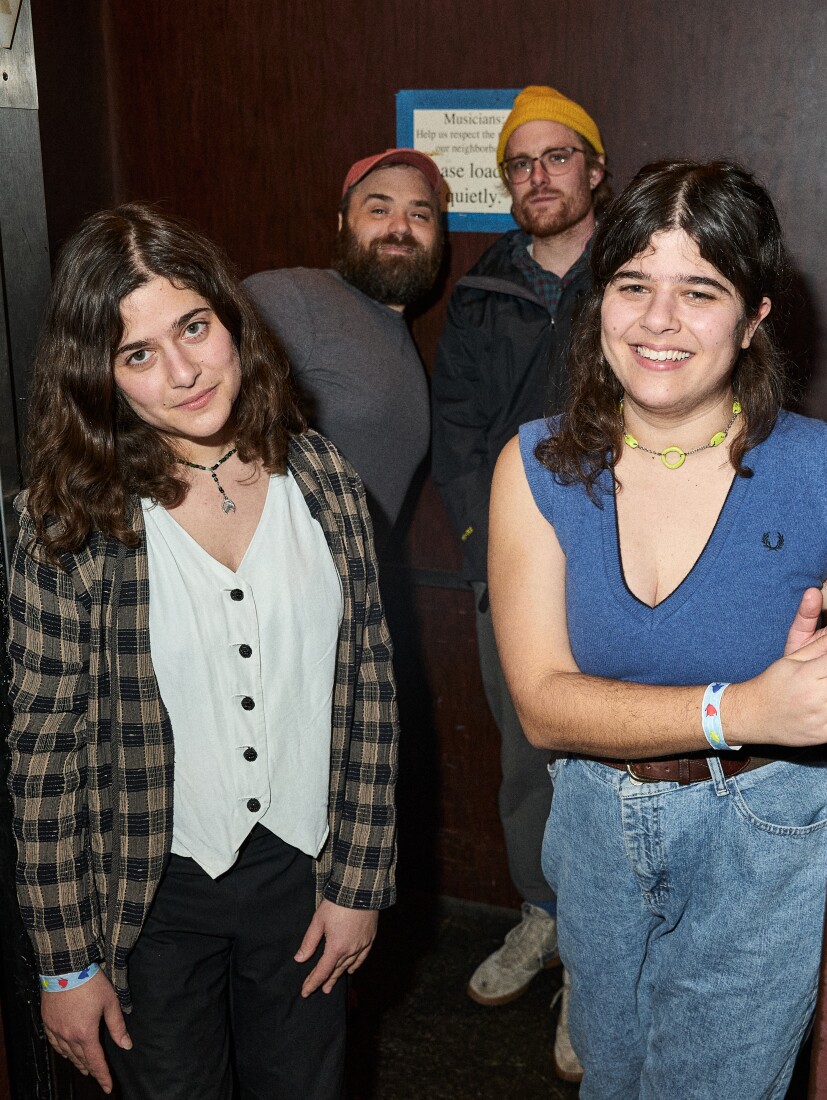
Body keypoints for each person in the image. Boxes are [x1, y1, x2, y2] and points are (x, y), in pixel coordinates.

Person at [6, 203, 399, 1099]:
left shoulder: (323, 479)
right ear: (98, 376)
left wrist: (361, 880)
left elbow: (368, 686)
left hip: (306, 872)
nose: (183, 372)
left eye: (193, 327)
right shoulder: (67, 522)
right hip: (151, 895)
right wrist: (65, 966)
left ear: (230, 318)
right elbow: (44, 757)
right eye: (138, 354)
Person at [489, 159, 827, 1099]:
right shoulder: (535, 464)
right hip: (593, 825)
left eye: (700, 291)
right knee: (612, 1080)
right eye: (632, 286)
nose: (658, 321)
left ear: (754, 317)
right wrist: (747, 706)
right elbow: (543, 706)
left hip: (766, 831)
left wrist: (802, 708)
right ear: (598, 299)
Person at [431, 84, 611, 1080]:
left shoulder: (637, 271)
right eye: (518, 163)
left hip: (624, 571)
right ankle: (541, 914)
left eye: (556, 156)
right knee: (526, 755)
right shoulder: (483, 289)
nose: (537, 177)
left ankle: (597, 956)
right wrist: (479, 544)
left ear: (593, 168)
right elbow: (455, 430)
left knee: (615, 766)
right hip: (514, 570)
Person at [244, 148, 444, 548]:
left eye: (419, 214)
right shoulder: (294, 296)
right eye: (379, 210)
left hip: (353, 596)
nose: (401, 227)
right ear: (342, 223)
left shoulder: (402, 340)